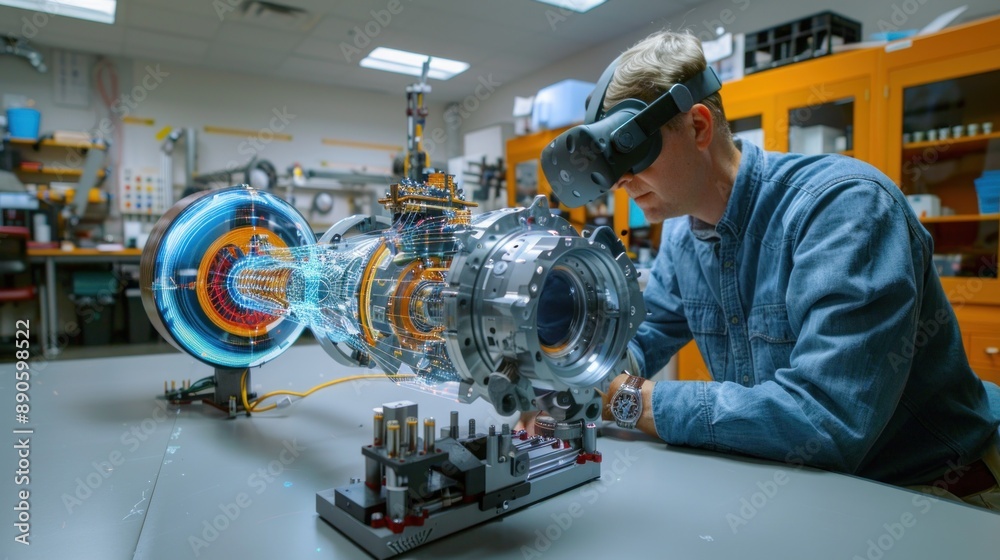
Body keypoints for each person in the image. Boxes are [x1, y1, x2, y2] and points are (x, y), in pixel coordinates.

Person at [580, 29, 1000, 510]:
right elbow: (639, 341)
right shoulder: (683, 236)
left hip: (935, 491)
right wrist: (575, 371)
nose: (621, 180)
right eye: (611, 163)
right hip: (810, 483)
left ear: (698, 127)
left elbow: (825, 420)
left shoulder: (844, 209)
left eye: (632, 152)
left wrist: (633, 400)